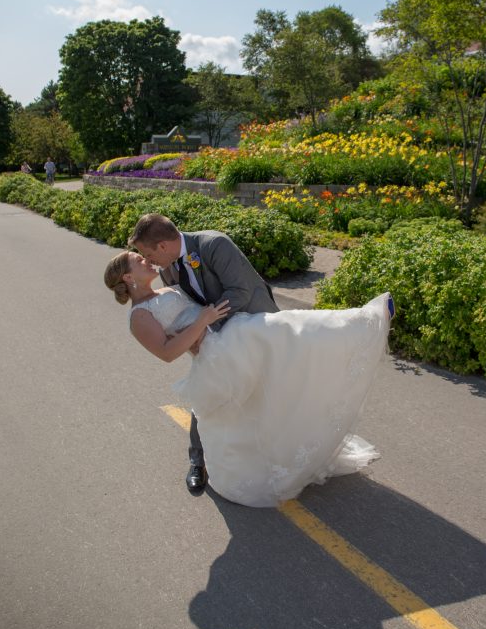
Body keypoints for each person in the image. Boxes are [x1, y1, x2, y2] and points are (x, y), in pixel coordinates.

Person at [104, 249, 393, 509]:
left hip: (231, 331)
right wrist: (201, 323)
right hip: (218, 354)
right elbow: (167, 352)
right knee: (281, 341)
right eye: (139, 260)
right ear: (128, 277)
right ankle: (363, 323)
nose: (146, 259)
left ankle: (363, 324)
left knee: (288, 334)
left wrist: (204, 321)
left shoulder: (168, 285)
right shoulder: (139, 317)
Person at [127, 213, 280, 495]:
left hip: (256, 326)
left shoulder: (213, 244)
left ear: (163, 246)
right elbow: (185, 308)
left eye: (148, 254)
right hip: (217, 340)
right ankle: (198, 462)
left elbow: (240, 291)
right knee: (207, 394)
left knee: (266, 390)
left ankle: (272, 453)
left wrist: (208, 329)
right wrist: (193, 337)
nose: (150, 261)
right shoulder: (168, 268)